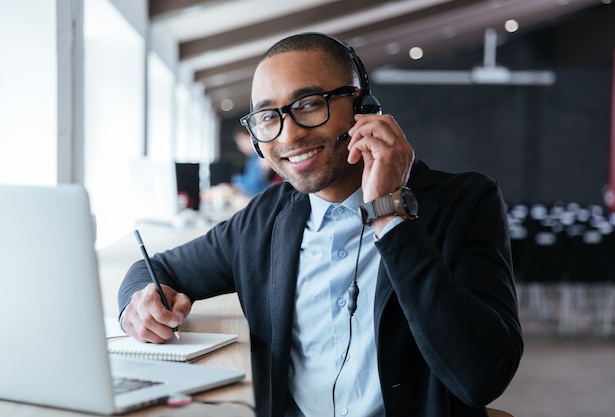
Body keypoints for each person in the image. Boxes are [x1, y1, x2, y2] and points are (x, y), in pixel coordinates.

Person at [118, 33, 523, 417]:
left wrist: (389, 213)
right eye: (267, 117)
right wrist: (138, 307)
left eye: (309, 104)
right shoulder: (265, 220)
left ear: (364, 109)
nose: (289, 134)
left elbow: (481, 378)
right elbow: (152, 271)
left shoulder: (466, 203)